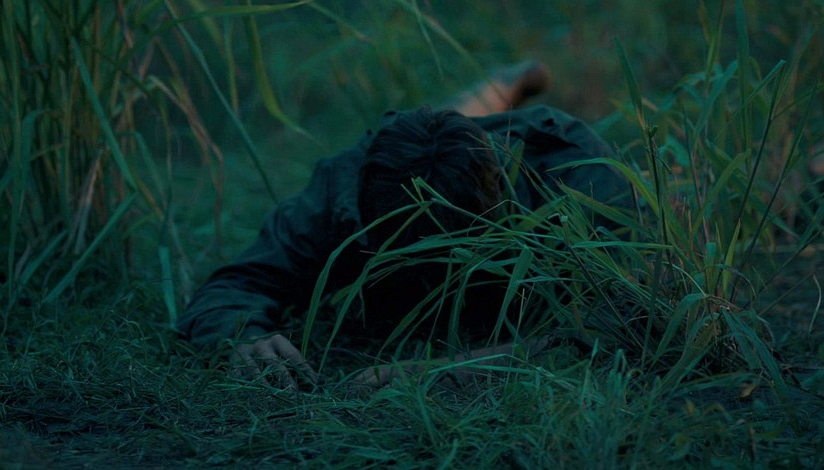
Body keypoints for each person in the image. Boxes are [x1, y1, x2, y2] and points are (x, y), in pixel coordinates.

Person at [177, 61, 632, 388]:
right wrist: (242, 337)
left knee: (461, 132)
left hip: (509, 159)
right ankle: (502, 81)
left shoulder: (577, 173)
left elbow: (614, 324)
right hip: (440, 150)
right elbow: (239, 284)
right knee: (442, 130)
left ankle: (505, 83)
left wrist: (437, 370)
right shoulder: (343, 189)